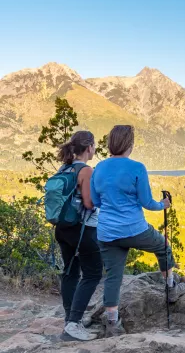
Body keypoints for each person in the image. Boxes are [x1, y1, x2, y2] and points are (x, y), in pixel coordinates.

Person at [90, 125, 185, 337]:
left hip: (107, 232)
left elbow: (95, 201)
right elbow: (146, 202)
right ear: (130, 145)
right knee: (163, 247)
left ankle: (113, 323)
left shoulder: (99, 168)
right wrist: (164, 204)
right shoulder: (137, 168)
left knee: (114, 276)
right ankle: (171, 288)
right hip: (134, 229)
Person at [55, 131, 102, 341]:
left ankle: (69, 319)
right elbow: (89, 203)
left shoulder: (64, 167)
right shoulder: (86, 170)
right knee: (92, 274)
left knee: (70, 272)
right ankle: (74, 324)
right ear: (89, 147)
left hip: (63, 229)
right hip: (83, 230)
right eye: (94, 146)